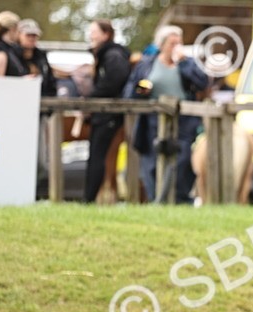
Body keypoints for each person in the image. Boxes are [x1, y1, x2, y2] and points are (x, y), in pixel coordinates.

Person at [128, 25, 209, 203]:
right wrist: (143, 89)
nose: (177, 47)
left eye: (179, 43)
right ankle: (155, 199)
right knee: (151, 164)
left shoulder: (187, 63)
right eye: (173, 43)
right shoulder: (147, 64)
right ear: (162, 44)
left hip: (183, 122)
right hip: (151, 122)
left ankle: (179, 200)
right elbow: (132, 91)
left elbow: (202, 83)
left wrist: (184, 62)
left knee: (182, 162)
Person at [83, 19, 132, 204]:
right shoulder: (105, 55)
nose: (91, 35)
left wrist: (92, 97)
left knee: (101, 156)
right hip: (103, 113)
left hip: (109, 114)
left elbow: (114, 81)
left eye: (94, 31)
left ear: (106, 35)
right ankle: (91, 197)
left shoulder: (113, 56)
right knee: (98, 156)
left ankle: (91, 199)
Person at [15, 19, 56, 97]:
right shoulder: (12, 55)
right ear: (19, 35)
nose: (31, 38)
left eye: (34, 35)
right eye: (28, 35)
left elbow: (50, 79)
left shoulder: (41, 56)